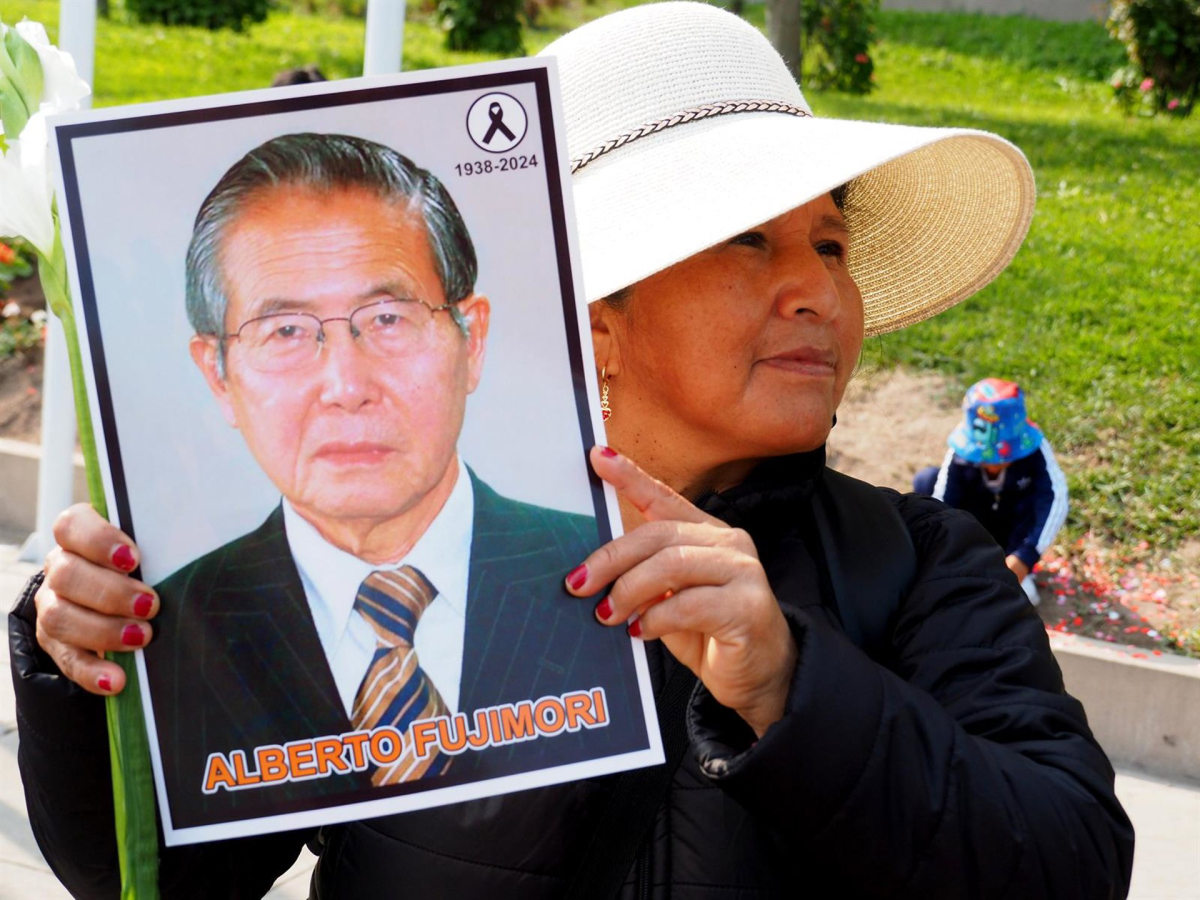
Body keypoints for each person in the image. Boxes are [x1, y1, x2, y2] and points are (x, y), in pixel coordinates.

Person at [11, 3, 1132, 898]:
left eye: (831, 244)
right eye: (750, 240)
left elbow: (1070, 861)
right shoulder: (378, 576)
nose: (815, 292)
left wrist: (790, 684)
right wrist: (84, 672)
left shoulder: (925, 567)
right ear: (596, 313)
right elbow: (159, 877)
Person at [132, 132, 646, 827]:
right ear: (218, 376)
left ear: (472, 341)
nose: (346, 387)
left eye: (387, 318)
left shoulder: (614, 573)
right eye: (285, 332)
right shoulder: (172, 627)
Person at [914, 378, 1068, 603]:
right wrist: (943, 555)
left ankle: (1012, 567)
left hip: (1014, 529)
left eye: (1002, 458)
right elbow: (942, 504)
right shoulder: (960, 452)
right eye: (986, 457)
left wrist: (1025, 557)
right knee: (926, 480)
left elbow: (1055, 498)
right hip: (975, 526)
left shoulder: (1035, 451)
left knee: (1023, 597)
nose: (993, 464)